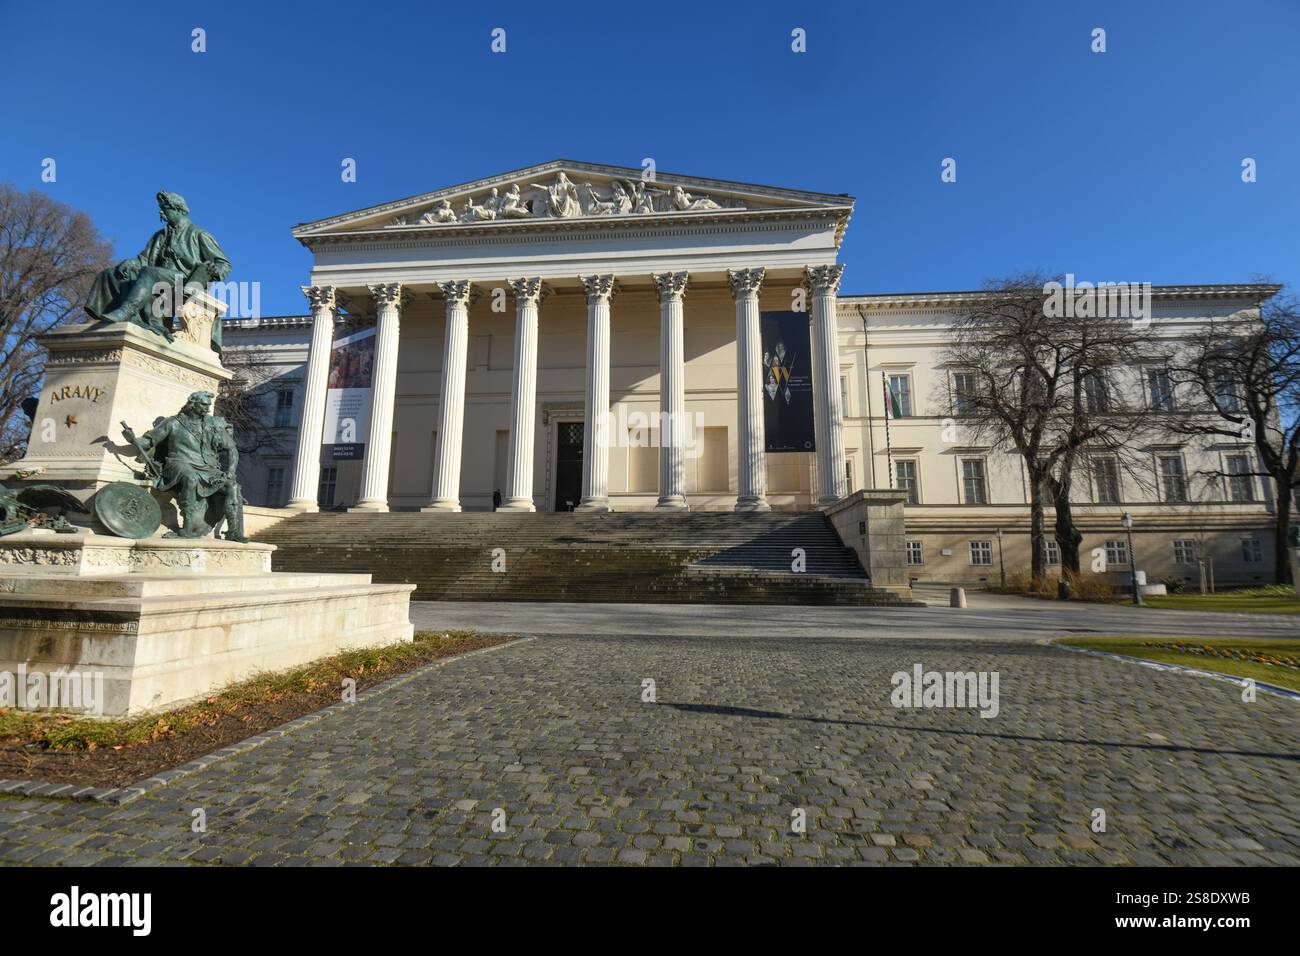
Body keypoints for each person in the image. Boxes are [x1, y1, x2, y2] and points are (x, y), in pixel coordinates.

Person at [85, 191, 232, 352]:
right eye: (161, 208)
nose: (161, 212)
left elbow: (224, 264)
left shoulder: (199, 234)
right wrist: (131, 262)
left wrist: (214, 270)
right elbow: (144, 260)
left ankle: (126, 311)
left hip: (185, 279)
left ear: (178, 210)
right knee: (110, 274)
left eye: (165, 208)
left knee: (150, 273)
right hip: (157, 276)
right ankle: (116, 320)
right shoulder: (160, 236)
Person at [123, 391, 246, 541]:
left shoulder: (212, 424)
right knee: (191, 478)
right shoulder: (173, 423)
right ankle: (187, 528)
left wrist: (231, 471)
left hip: (206, 467)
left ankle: (234, 531)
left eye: (208, 405)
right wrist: (133, 439)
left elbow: (232, 449)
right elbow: (149, 441)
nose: (207, 409)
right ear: (192, 404)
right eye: (203, 405)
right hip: (179, 463)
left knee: (231, 486)